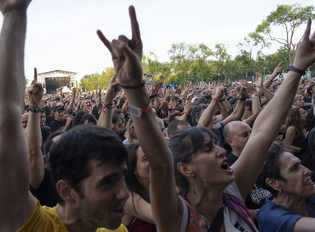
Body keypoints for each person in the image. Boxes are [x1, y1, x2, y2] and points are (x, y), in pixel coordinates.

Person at [97, 5, 315, 231]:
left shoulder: (231, 193)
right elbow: (160, 165)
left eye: (214, 144)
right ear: (185, 169)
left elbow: (262, 133)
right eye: (207, 149)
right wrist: (133, 87)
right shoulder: (177, 218)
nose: (221, 150)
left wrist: (297, 68)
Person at [0, 1, 128, 231]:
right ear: (66, 191)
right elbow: (3, 122)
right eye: (108, 182)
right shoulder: (35, 226)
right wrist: (13, 14)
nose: (124, 193)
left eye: (122, 177)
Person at [257, 142, 315, 232]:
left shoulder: (307, 197)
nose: (307, 171)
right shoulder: (269, 216)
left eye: (301, 164)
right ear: (273, 183)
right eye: (295, 168)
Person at [123, 143, 157, 232]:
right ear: (133, 169)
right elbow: (162, 218)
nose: (153, 161)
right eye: (145, 159)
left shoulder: (159, 188)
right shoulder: (127, 197)